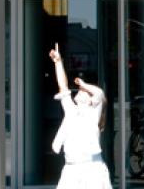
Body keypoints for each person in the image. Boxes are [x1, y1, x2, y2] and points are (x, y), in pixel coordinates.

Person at [49, 43, 112, 189]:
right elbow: (63, 87)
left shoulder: (93, 112)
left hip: (92, 170)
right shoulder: (71, 110)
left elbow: (100, 94)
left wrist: (84, 84)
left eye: (83, 90)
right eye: (80, 89)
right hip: (71, 170)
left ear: (90, 99)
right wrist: (58, 62)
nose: (79, 90)